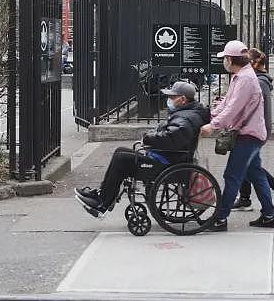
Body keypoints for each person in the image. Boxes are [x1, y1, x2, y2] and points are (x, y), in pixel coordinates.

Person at [74, 81, 209, 218]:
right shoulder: (187, 113)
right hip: (170, 158)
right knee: (120, 151)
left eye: (173, 97)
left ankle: (103, 202)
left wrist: (148, 138)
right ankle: (102, 195)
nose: (169, 100)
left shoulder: (186, 118)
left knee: (122, 159)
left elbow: (170, 138)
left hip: (168, 162)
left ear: (183, 99)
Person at [200, 40, 274, 231]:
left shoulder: (245, 79)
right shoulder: (240, 76)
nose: (224, 62)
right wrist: (211, 114)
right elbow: (227, 103)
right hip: (251, 133)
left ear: (230, 59)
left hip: (248, 135)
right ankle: (269, 216)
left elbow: (233, 109)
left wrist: (213, 125)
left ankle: (220, 219)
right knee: (255, 173)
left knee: (232, 175)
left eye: (225, 58)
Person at [233, 48, 274, 212]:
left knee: (248, 164)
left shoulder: (258, 82)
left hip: (255, 130)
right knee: (247, 164)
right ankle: (246, 198)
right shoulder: (258, 80)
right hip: (252, 128)